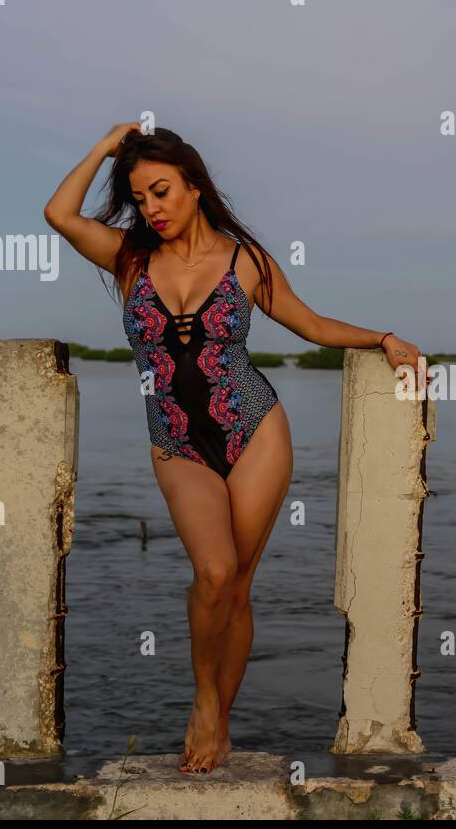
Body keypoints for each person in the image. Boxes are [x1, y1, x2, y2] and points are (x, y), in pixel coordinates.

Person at [43, 123, 420, 773]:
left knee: (239, 586)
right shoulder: (129, 258)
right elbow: (59, 213)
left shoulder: (245, 260)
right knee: (213, 572)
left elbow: (310, 323)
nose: (152, 207)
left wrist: (382, 338)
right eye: (140, 198)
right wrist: (109, 146)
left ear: (193, 185)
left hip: (255, 430)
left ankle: (220, 725)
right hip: (175, 443)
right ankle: (205, 700)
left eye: (162, 190)